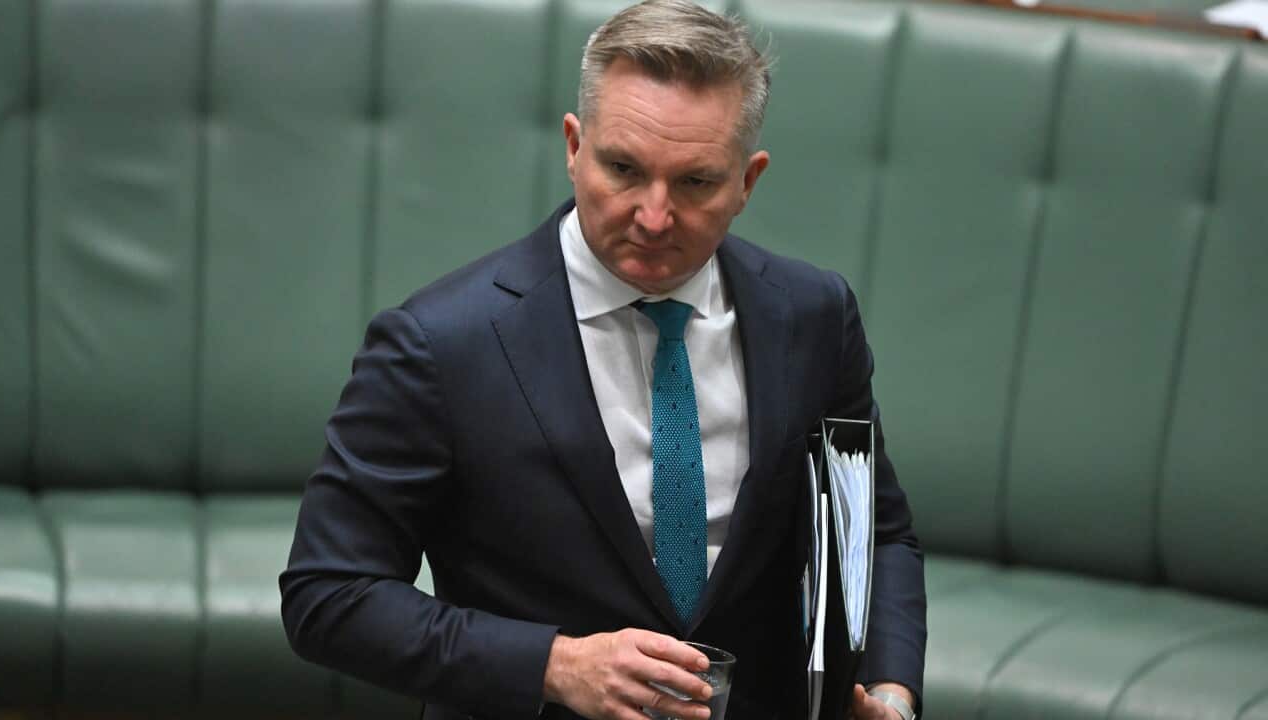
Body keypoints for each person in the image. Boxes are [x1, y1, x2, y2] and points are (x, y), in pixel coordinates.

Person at [280, 2, 926, 718]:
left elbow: (879, 534)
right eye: (624, 168)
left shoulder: (812, 317)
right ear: (573, 147)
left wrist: (892, 693)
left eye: (695, 183)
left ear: (748, 182)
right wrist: (553, 665)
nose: (653, 217)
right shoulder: (437, 344)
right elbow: (329, 595)